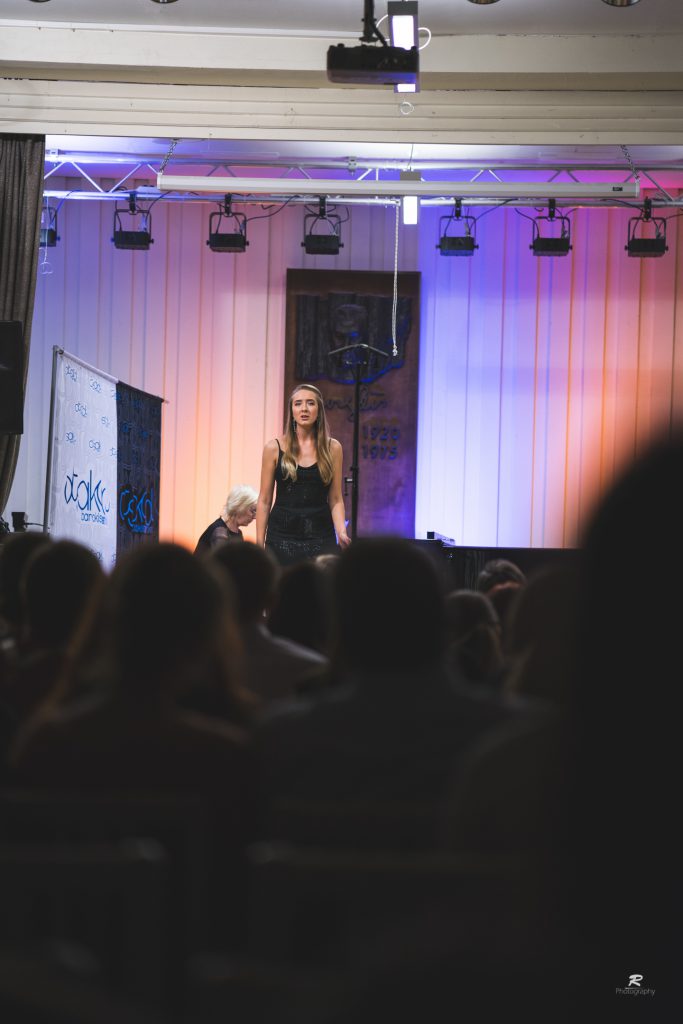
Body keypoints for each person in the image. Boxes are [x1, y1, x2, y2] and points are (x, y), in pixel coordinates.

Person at [256, 383, 350, 565]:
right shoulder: (273, 448)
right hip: (281, 537)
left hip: (320, 536)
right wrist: (259, 545)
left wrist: (341, 532)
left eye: (310, 403)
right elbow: (264, 500)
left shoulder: (333, 448)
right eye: (298, 403)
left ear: (319, 410)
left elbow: (336, 499)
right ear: (291, 411)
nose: (304, 409)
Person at [194, 484, 258, 555]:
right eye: (253, 511)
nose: (255, 517)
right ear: (239, 507)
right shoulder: (219, 531)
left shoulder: (238, 533)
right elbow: (224, 560)